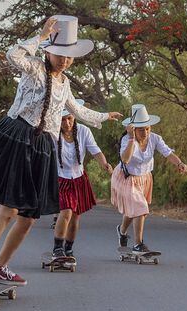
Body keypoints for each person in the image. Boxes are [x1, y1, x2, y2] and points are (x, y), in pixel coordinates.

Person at [0, 15, 122, 292]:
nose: (64, 60)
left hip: (43, 146)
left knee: (29, 215)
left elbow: (76, 110)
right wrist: (40, 36)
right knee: (10, 207)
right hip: (19, 137)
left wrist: (104, 115)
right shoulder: (34, 67)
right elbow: (12, 55)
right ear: (48, 50)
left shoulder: (65, 83)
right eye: (59, 54)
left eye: (69, 56)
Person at [111, 104, 187, 254]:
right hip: (127, 178)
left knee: (133, 209)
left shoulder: (155, 138)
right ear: (133, 129)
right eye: (141, 129)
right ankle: (138, 244)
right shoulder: (127, 140)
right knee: (140, 208)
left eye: (147, 128)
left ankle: (121, 231)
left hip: (145, 178)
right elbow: (125, 159)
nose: (145, 132)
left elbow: (168, 153)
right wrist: (132, 139)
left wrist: (179, 163)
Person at [52, 107, 113, 261]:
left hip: (79, 178)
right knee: (66, 212)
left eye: (69, 118)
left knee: (75, 217)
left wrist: (105, 164)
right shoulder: (52, 132)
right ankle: (57, 248)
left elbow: (95, 151)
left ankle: (69, 248)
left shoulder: (84, 131)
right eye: (63, 119)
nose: (66, 123)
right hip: (60, 178)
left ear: (74, 117)